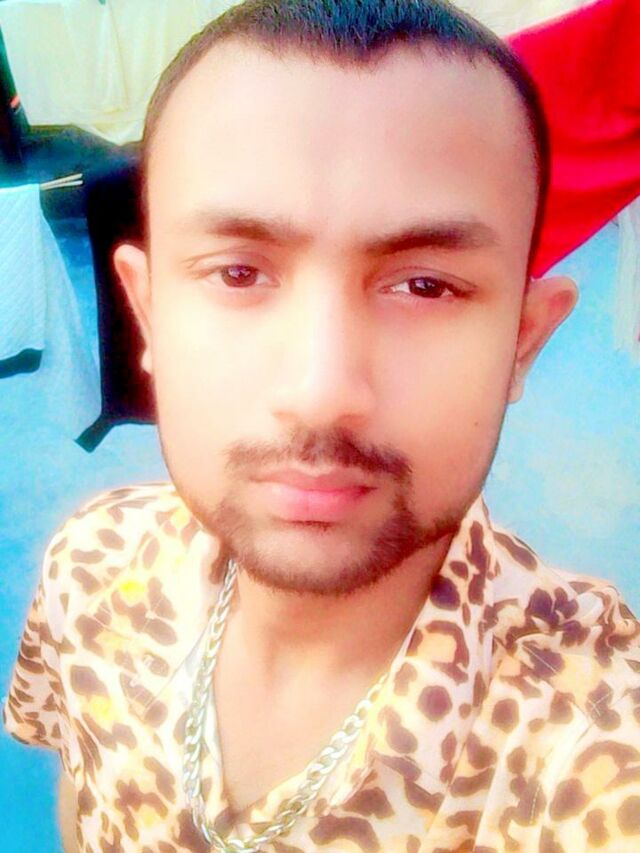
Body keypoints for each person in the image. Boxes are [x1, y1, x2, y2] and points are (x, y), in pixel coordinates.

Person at [4, 0, 640, 850]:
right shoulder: (90, 568)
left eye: (424, 286)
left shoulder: (592, 748)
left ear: (523, 341)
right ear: (146, 313)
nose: (320, 392)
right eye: (239, 273)